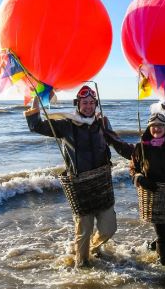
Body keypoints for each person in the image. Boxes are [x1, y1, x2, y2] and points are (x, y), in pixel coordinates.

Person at [24, 85, 118, 268]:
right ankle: (81, 267)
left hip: (102, 185)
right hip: (80, 186)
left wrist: (138, 158)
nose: (89, 106)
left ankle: (94, 247)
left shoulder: (102, 122)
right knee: (84, 230)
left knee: (109, 228)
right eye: (85, 103)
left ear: (96, 104)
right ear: (78, 104)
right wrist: (39, 97)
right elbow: (36, 126)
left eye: (92, 102)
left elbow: (116, 142)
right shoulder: (67, 125)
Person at [105, 100, 165, 265]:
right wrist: (140, 179)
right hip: (152, 193)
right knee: (162, 235)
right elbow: (133, 169)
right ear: (149, 128)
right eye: (153, 125)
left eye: (161, 125)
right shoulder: (141, 147)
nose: (157, 128)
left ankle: (151, 248)